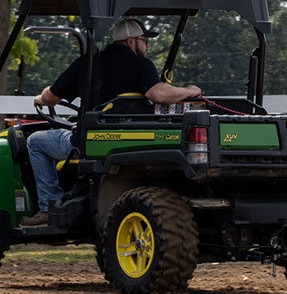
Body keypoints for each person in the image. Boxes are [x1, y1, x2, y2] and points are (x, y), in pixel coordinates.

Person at [20, 19, 201, 227]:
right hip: (134, 140)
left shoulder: (86, 64)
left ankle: (47, 207)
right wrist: (189, 91)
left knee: (34, 141)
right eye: (144, 40)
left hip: (89, 142)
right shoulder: (141, 66)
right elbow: (158, 93)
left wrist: (40, 98)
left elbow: (50, 98)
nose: (147, 46)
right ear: (131, 41)